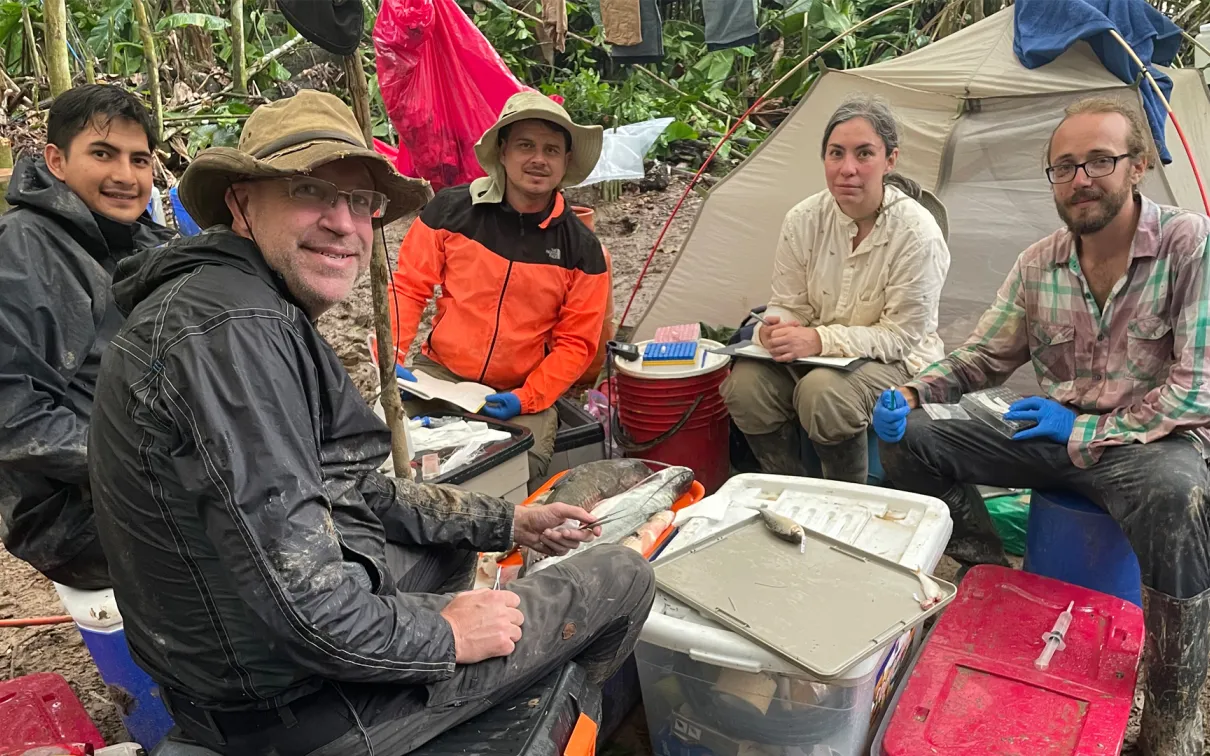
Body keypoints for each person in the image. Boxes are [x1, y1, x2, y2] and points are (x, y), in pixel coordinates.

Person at [88, 90, 654, 756]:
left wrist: (505, 521)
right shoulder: (234, 334)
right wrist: (446, 634)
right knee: (622, 577)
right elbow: (306, 605)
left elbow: (354, 488)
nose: (342, 222)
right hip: (292, 705)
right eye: (310, 192)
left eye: (359, 203)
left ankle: (487, 695)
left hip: (253, 655)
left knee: (448, 547)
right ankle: (536, 719)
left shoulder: (248, 303)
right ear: (241, 204)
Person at [874, 97, 1210, 756]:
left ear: (1137, 166)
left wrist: (1082, 429)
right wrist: (913, 391)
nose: (1081, 179)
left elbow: (1198, 389)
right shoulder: (1039, 263)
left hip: (1145, 447)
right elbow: (983, 358)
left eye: (1099, 161)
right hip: (1048, 435)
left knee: (1181, 494)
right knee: (914, 437)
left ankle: (1174, 720)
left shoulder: (1188, 243)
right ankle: (983, 575)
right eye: (1064, 167)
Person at [720, 95, 950, 483]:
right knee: (744, 385)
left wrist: (818, 340)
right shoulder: (803, 219)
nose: (847, 169)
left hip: (896, 361)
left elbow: (901, 337)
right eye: (835, 153)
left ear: (890, 160)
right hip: (816, 355)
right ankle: (788, 486)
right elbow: (790, 303)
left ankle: (846, 496)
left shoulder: (916, 232)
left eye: (864, 154)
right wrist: (776, 330)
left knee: (824, 394)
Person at [0, 84, 173, 589]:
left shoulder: (138, 240)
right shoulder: (26, 249)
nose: (125, 175)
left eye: (139, 159)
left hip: (147, 462)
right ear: (56, 160)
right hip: (72, 512)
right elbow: (12, 414)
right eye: (103, 154)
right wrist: (153, 466)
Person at [388, 91, 610, 484]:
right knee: (394, 452)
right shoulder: (449, 210)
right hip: (439, 373)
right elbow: (408, 288)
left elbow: (576, 345)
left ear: (565, 163)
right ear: (503, 152)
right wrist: (390, 354)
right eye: (526, 145)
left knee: (515, 471)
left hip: (522, 388)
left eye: (552, 150)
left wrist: (527, 397)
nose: (538, 159)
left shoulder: (583, 250)